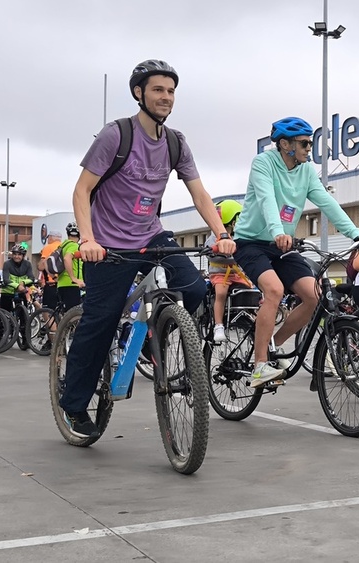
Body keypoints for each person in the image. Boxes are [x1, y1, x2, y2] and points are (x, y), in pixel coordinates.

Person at [60, 59, 235, 438]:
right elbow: (82, 190)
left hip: (151, 235)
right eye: (158, 90)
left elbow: (199, 192)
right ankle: (74, 404)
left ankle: (162, 335)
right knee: (99, 323)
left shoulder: (175, 142)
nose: (166, 97)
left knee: (194, 288)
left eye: (171, 91)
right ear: (139, 93)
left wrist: (220, 232)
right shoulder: (116, 136)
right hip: (107, 245)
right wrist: (88, 240)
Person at [234, 116, 359, 388]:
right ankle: (259, 366)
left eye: (310, 143)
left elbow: (326, 202)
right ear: (284, 144)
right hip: (252, 242)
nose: (309, 149)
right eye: (304, 143)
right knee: (274, 290)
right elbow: (267, 197)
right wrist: (277, 230)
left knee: (314, 297)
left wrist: (356, 234)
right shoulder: (263, 163)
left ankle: (273, 347)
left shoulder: (305, 172)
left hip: (283, 245)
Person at [207, 200, 252, 342]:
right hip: (220, 273)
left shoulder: (240, 235)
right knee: (221, 293)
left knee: (253, 293)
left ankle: (255, 320)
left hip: (236, 273)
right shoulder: (214, 236)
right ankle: (219, 325)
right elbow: (208, 249)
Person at [57, 222, 85, 311]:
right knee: (74, 315)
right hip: (72, 285)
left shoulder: (62, 246)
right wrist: (73, 278)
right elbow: (66, 258)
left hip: (61, 284)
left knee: (67, 315)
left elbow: (45, 263)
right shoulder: (74, 245)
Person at [0, 244, 33, 312]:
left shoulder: (27, 264)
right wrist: (17, 286)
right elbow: (6, 279)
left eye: (19, 254)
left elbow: (31, 278)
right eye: (14, 254)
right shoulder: (7, 264)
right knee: (4, 315)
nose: (16, 256)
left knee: (23, 316)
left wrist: (23, 283)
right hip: (7, 292)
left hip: (21, 293)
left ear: (23, 255)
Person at [38, 231, 62, 309]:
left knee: (47, 310)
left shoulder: (48, 247)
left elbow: (41, 266)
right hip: (64, 283)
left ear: (51, 238)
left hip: (51, 283)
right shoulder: (64, 246)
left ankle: (52, 322)